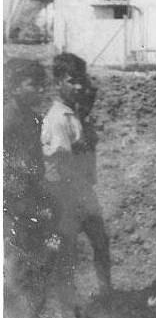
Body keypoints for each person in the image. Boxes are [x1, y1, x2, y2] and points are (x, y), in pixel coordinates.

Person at [3, 58, 72, 318]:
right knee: (17, 256)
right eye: (33, 84)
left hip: (32, 194)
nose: (40, 90)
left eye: (42, 84)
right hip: (14, 199)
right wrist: (25, 201)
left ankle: (31, 315)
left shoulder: (32, 118)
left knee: (48, 249)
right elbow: (11, 166)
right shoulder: (7, 119)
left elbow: (35, 161)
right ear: (15, 86)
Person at [41, 53, 112, 299]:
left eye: (81, 80)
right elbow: (62, 164)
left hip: (83, 192)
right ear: (58, 82)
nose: (79, 87)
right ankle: (65, 304)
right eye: (72, 81)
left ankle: (106, 294)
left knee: (101, 242)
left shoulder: (74, 114)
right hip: (67, 194)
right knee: (66, 252)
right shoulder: (58, 119)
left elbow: (89, 95)